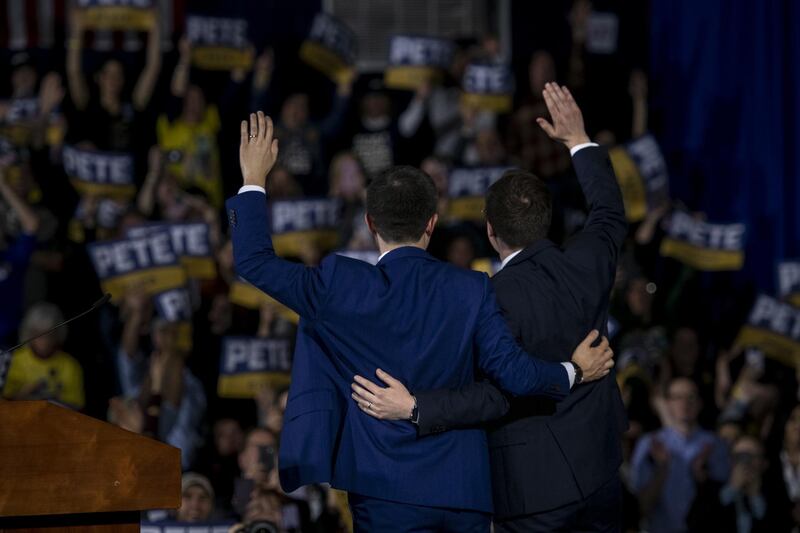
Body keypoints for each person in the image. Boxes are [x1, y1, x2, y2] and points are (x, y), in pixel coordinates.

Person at [226, 110, 614, 531]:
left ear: (371, 223)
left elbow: (252, 261)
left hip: (382, 489)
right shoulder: (473, 288)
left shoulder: (340, 284)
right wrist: (573, 371)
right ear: (433, 222)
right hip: (463, 492)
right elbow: (515, 377)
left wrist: (253, 178)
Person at [353, 83, 629, 531]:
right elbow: (609, 213)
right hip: (601, 473)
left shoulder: (485, 298)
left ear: (490, 231)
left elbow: (492, 396)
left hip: (531, 496)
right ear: (547, 220)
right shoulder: (588, 262)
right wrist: (579, 140)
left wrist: (415, 408)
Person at [630, 377, 730, 533]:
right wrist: (662, 470)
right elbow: (639, 508)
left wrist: (703, 478)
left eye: (690, 397)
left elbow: (726, 503)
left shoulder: (715, 445)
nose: (684, 403)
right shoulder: (650, 443)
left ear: (699, 403)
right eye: (677, 397)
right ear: (668, 403)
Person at [2, 303, 85, 410]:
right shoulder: (13, 360)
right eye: (38, 333)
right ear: (29, 333)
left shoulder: (70, 365)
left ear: (58, 333)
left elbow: (78, 407)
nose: (44, 340)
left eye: (49, 334)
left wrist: (53, 399)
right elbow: (4, 404)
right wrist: (23, 393)